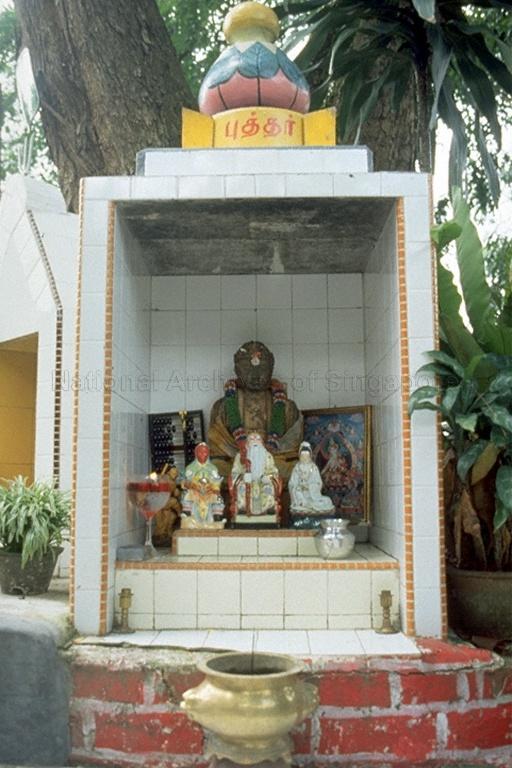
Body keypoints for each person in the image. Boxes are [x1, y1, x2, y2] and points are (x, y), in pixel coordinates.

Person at [208, 341, 302, 479]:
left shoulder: (287, 407)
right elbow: (218, 449)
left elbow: (292, 448)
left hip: (274, 460)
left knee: (298, 471)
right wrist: (241, 456)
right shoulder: (222, 407)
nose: (256, 375)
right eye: (248, 370)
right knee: (214, 470)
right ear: (237, 370)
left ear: (271, 369)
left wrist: (265, 457)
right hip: (236, 459)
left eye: (262, 369)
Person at [229, 431, 282, 521]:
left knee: (268, 488)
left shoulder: (267, 456)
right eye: (252, 439)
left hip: (263, 482)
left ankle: (267, 511)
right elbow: (235, 472)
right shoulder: (240, 456)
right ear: (247, 443)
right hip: (246, 482)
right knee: (241, 488)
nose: (255, 441)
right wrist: (243, 477)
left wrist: (268, 477)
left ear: (262, 443)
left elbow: (274, 472)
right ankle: (244, 511)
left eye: (258, 439)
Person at [180, 443, 225, 529]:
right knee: (187, 495)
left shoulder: (213, 468)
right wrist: (191, 485)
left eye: (205, 452)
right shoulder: (190, 467)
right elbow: (185, 482)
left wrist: (214, 488)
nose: (202, 454)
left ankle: (216, 519)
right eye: (200, 452)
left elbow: (216, 482)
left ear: (208, 454)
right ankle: (187, 518)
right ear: (196, 453)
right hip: (195, 491)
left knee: (218, 498)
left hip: (209, 492)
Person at [289, 441, 335, 515]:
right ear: (299, 455)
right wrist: (298, 486)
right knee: (298, 494)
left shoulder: (313, 468)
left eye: (306, 456)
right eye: (303, 455)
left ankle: (309, 505)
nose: (305, 458)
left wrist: (309, 486)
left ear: (310, 456)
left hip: (313, 495)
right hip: (300, 494)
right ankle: (304, 504)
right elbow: (292, 483)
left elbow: (318, 483)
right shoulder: (297, 468)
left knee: (327, 501)